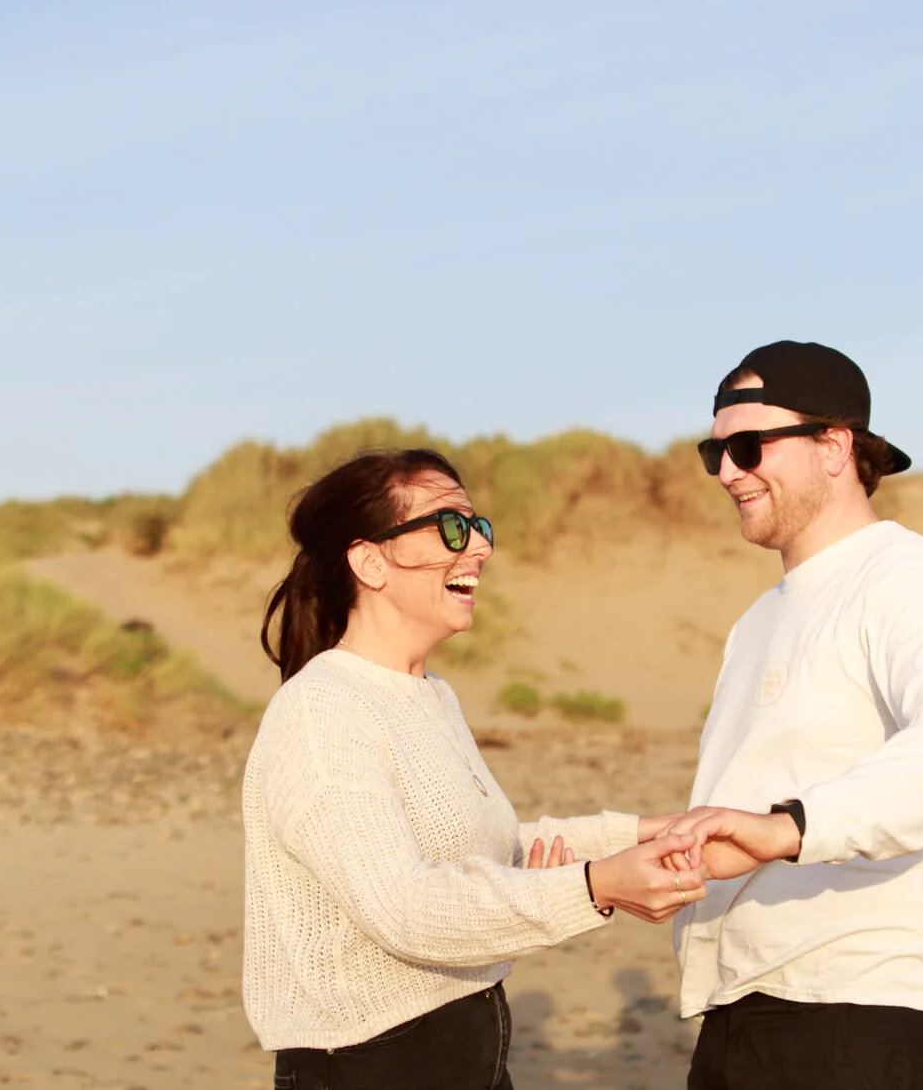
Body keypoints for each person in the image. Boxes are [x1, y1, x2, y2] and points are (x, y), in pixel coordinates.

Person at [241, 447, 707, 1090]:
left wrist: (646, 834)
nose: (480, 549)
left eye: (478, 526)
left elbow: (490, 850)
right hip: (367, 1068)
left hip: (472, 1051)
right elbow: (406, 910)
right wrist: (596, 887)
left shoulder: (430, 692)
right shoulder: (322, 712)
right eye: (452, 527)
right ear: (369, 561)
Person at [661, 341, 923, 1090]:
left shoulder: (904, 574)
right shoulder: (759, 619)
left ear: (834, 446)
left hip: (866, 1016)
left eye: (747, 444)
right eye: (714, 450)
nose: (728, 470)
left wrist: (787, 826)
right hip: (747, 1011)